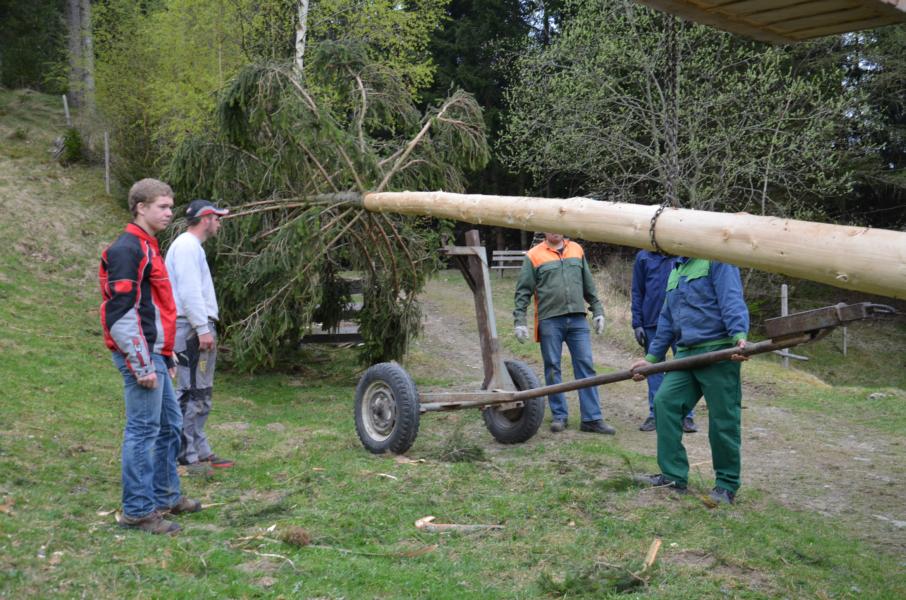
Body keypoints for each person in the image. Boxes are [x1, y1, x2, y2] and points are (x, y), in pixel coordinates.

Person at [100, 178, 201, 534]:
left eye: (171, 206)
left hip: (155, 353)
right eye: (163, 206)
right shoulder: (127, 249)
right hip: (139, 356)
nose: (170, 213)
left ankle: (166, 496)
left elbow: (154, 309)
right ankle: (138, 511)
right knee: (143, 431)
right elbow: (120, 313)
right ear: (140, 207)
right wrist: (143, 364)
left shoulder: (149, 246)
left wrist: (166, 356)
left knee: (170, 425)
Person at [629, 257, 749, 505]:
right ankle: (673, 476)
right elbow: (666, 318)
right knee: (664, 403)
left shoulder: (717, 260)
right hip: (685, 354)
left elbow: (731, 298)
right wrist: (651, 358)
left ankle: (726, 485)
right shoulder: (677, 268)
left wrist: (739, 335)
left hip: (719, 351)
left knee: (723, 418)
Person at [513, 232, 615, 434]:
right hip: (550, 320)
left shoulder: (576, 249)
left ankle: (592, 418)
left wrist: (598, 310)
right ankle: (559, 415)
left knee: (586, 365)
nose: (554, 231)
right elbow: (523, 291)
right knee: (552, 366)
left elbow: (588, 285)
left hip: (578, 318)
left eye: (557, 226)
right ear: (544, 230)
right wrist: (520, 321)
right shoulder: (534, 255)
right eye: (550, 227)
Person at [165, 199, 234, 474]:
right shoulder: (186, 247)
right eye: (217, 218)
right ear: (205, 219)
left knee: (201, 390)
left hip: (196, 326)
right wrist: (202, 328)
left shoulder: (193, 247)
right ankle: (185, 455)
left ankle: (200, 450)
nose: (219, 223)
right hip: (191, 329)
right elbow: (189, 291)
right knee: (191, 391)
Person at [631, 250, 696, 433]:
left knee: (684, 367)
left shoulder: (683, 256)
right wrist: (637, 323)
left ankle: (686, 415)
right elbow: (637, 291)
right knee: (652, 369)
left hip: (681, 322)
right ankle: (655, 414)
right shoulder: (643, 257)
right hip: (651, 321)